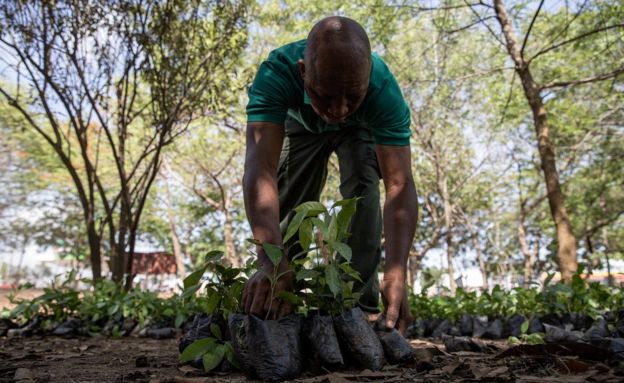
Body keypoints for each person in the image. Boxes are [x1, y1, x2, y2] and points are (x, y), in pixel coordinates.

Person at [241, 16, 417, 334]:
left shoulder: (383, 91)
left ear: (366, 82)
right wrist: (269, 258)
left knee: (364, 189)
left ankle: (358, 305)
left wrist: (396, 270)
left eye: (352, 96)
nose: (338, 110)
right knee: (288, 193)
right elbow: (259, 168)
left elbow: (399, 183)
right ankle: (281, 293)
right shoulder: (277, 73)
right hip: (300, 123)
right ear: (303, 72)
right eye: (327, 96)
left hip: (361, 129)